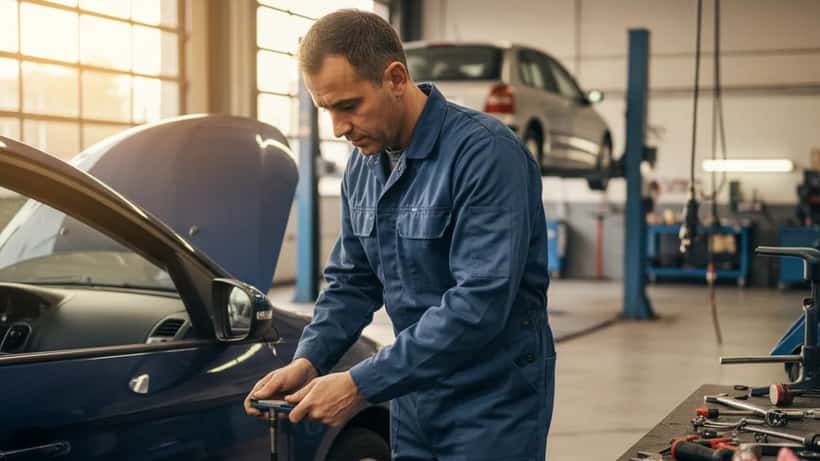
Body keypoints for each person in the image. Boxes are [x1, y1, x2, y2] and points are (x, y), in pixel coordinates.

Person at [245, 10, 555, 460]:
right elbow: (352, 281)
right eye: (327, 110)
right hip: (412, 393)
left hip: (492, 400)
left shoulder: (485, 154)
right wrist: (308, 360)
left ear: (395, 78)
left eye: (349, 106)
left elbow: (480, 302)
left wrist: (359, 384)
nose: (339, 129)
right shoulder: (364, 166)